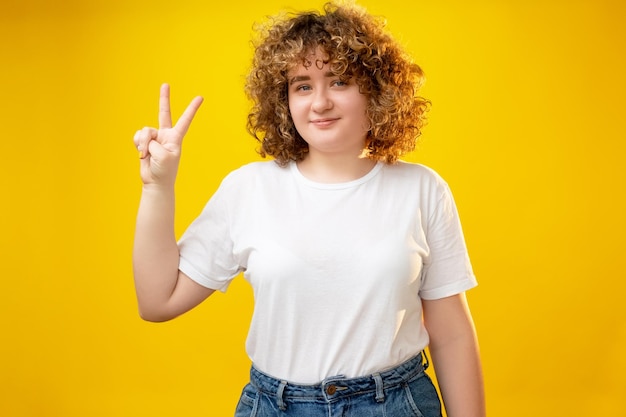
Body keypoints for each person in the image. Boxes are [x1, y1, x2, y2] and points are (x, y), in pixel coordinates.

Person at [132, 2, 485, 416]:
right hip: (275, 405)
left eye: (338, 81)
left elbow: (451, 334)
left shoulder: (422, 189)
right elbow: (158, 301)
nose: (319, 102)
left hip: (393, 404)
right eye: (302, 85)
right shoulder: (249, 189)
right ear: (283, 100)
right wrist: (158, 186)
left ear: (376, 91)